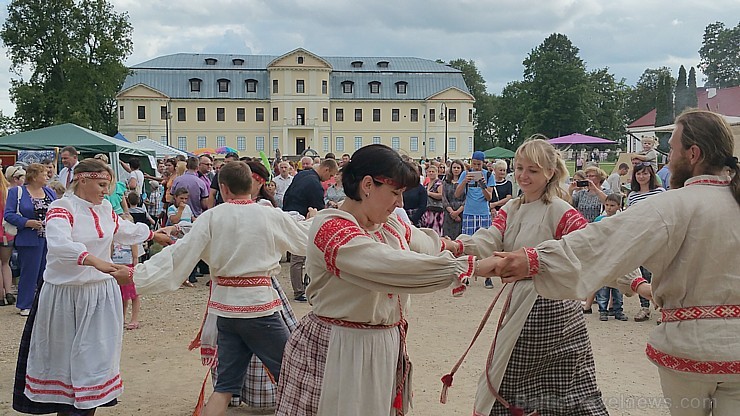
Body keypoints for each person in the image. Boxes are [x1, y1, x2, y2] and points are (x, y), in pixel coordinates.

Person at [489, 110, 740, 416]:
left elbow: (602, 241)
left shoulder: (672, 205)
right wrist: (638, 284)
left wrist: (533, 259)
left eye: (672, 148)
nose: (668, 156)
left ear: (693, 153)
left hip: (692, 350)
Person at [275, 144, 485, 416]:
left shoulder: (388, 224)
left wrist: (466, 247)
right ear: (367, 185)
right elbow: (392, 266)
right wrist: (471, 267)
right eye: (395, 193)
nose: (400, 203)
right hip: (342, 350)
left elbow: (426, 242)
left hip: (380, 346)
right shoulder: (331, 228)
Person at [133, 161, 311, 416]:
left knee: (225, 387)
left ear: (224, 188)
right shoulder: (269, 214)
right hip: (259, 308)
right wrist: (318, 220)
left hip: (226, 312)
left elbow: (178, 255)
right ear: (251, 185)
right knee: (295, 374)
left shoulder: (212, 217)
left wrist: (135, 275)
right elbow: (305, 240)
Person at [447, 138, 608, 416]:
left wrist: (637, 284)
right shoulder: (512, 208)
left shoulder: (561, 210)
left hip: (555, 310)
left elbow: (590, 249)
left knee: (552, 383)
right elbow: (491, 238)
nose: (523, 175)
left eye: (532, 170)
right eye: (519, 168)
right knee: (513, 378)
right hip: (521, 304)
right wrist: (456, 246)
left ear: (550, 172)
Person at [12, 158, 170, 414]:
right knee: (63, 360)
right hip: (66, 294)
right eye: (102, 184)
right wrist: (93, 261)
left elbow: (122, 228)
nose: (106, 191)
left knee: (95, 356)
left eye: (107, 185)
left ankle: (87, 405)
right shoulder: (62, 208)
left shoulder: (105, 208)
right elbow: (59, 243)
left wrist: (154, 234)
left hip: (99, 293)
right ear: (83, 179)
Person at [282, 158, 338, 302]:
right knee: (299, 256)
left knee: (297, 255)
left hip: (290, 214)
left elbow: (287, 194)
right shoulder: (315, 185)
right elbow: (317, 211)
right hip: (302, 219)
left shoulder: (302, 174)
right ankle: (299, 291)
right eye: (331, 175)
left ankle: (300, 288)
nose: (330, 179)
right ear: (326, 169)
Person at [4, 164, 56, 316]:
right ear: (34, 176)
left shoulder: (49, 192)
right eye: (44, 174)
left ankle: (44, 302)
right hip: (29, 237)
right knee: (29, 271)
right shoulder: (17, 192)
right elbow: (8, 214)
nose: (47, 176)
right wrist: (27, 222)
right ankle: (25, 304)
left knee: (47, 271)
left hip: (49, 237)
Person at [626, 162, 665, 322]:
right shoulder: (632, 195)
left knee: (661, 273)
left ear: (651, 175)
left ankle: (665, 307)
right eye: (639, 173)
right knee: (643, 273)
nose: (642, 176)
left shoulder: (660, 192)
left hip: (657, 236)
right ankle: (645, 307)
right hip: (640, 238)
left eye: (645, 173)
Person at [593, 193, 628, 322]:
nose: (608, 208)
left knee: (618, 284)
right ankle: (603, 310)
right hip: (604, 255)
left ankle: (618, 309)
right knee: (603, 284)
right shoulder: (600, 220)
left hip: (617, 255)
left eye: (612, 205)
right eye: (607, 205)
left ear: (619, 206)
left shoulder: (622, 219)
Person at [111, 218, 142, 330]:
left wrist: (135, 267)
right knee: (121, 295)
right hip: (117, 267)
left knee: (133, 294)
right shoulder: (113, 238)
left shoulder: (131, 240)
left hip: (128, 266)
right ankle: (121, 318)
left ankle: (134, 318)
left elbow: (135, 255)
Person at [455, 151, 494, 236]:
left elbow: (489, 198)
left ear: (483, 163)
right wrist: (465, 181)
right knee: (468, 240)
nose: (476, 167)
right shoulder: (465, 174)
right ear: (471, 162)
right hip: (469, 212)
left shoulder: (489, 175)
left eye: (479, 164)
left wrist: (482, 185)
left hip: (483, 213)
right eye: (474, 164)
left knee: (484, 240)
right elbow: (457, 194)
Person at [0, 174, 15, 307]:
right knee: (6, 263)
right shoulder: (8, 190)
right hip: (7, 233)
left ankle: (0, 296)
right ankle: (9, 291)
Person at [442, 159, 465, 239]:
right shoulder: (446, 182)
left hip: (461, 213)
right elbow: (444, 198)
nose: (456, 169)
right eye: (454, 167)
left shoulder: (465, 183)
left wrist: (457, 212)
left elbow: (467, 199)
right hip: (449, 214)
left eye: (458, 168)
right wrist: (452, 213)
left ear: (462, 169)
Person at [420, 165, 444, 235]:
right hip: (427, 210)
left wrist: (429, 193)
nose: (431, 173)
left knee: (436, 232)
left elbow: (441, 195)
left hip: (436, 210)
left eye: (433, 171)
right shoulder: (426, 184)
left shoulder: (439, 183)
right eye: (429, 172)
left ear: (436, 172)